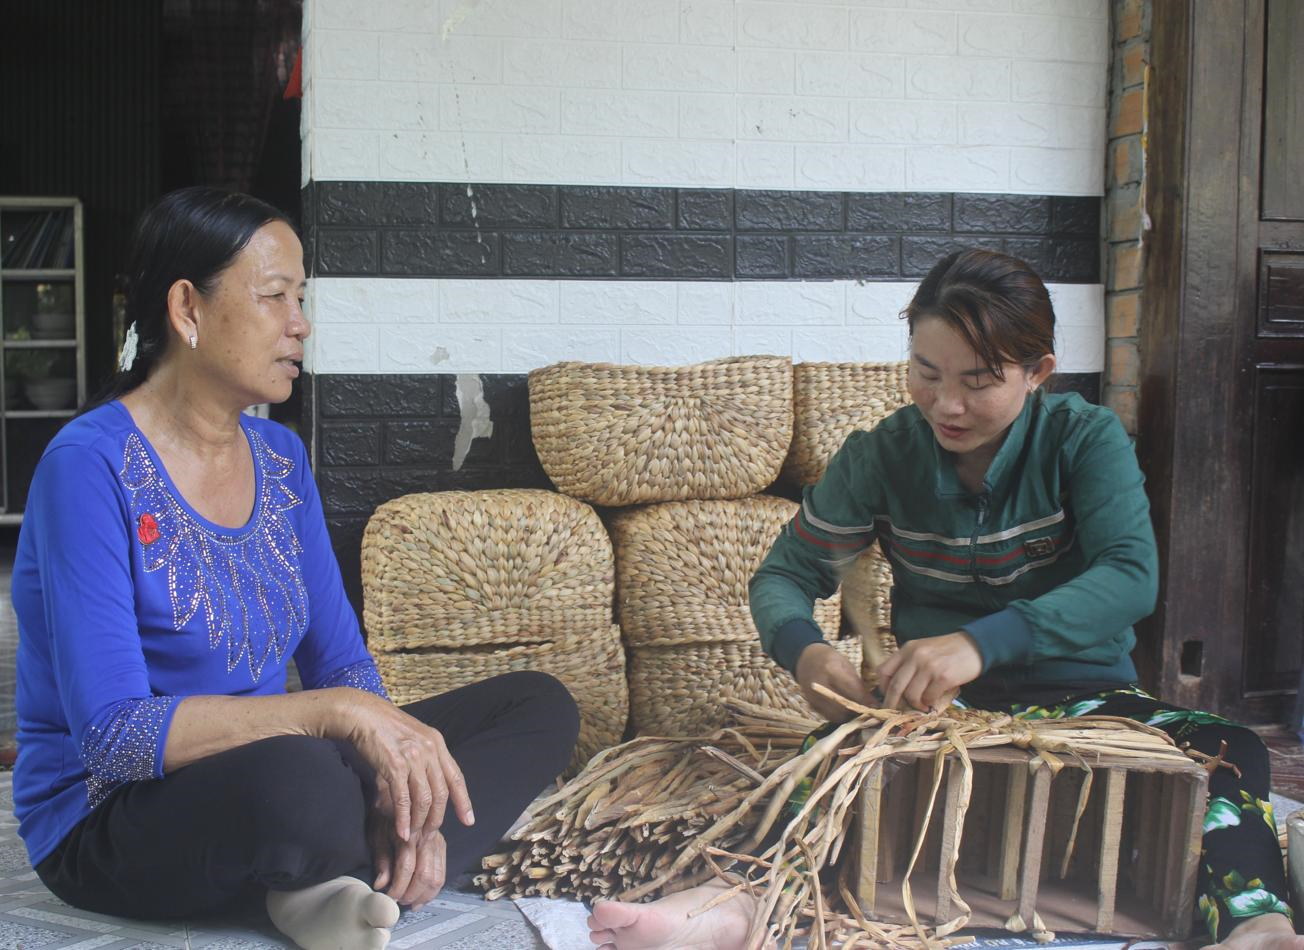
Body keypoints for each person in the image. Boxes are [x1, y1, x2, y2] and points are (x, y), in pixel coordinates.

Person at [587, 249, 1301, 950]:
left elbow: (1129, 577)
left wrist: (979, 642)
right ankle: (733, 903)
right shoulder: (882, 456)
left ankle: (1255, 925)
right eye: (926, 373)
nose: (947, 404)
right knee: (837, 758)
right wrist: (804, 652)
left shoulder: (1084, 440)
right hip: (940, 712)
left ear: (1037, 374)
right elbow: (784, 575)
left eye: (979, 381)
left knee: (1229, 748)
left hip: (1088, 704)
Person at [11, 186, 579, 950]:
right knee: (303, 780)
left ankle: (328, 876)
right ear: (188, 310)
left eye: (300, 298)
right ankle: (332, 869)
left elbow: (341, 661)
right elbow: (114, 736)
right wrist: (335, 716)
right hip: (117, 816)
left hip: (277, 775)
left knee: (537, 706)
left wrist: (398, 784)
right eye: (275, 296)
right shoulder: (88, 467)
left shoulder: (281, 462)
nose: (299, 323)